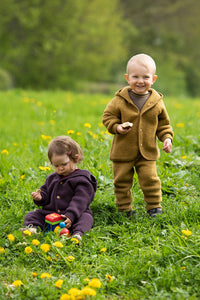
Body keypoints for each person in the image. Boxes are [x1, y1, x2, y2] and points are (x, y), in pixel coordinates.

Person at [102, 53, 173, 217]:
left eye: (145, 77)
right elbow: (107, 117)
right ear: (127, 78)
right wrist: (117, 127)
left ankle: (154, 207)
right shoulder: (120, 99)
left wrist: (167, 138)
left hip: (147, 152)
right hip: (123, 151)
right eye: (135, 77)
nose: (140, 81)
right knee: (121, 182)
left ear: (153, 79)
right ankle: (124, 209)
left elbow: (163, 124)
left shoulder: (156, 102)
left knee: (150, 180)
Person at [21, 135, 97, 239]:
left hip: (74, 215)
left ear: (75, 158)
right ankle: (32, 229)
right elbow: (45, 192)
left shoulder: (82, 179)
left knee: (86, 218)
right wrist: (40, 197)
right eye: (56, 166)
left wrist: (71, 215)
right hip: (52, 214)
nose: (60, 168)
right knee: (32, 215)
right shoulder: (52, 178)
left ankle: (77, 234)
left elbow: (81, 200)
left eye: (64, 164)